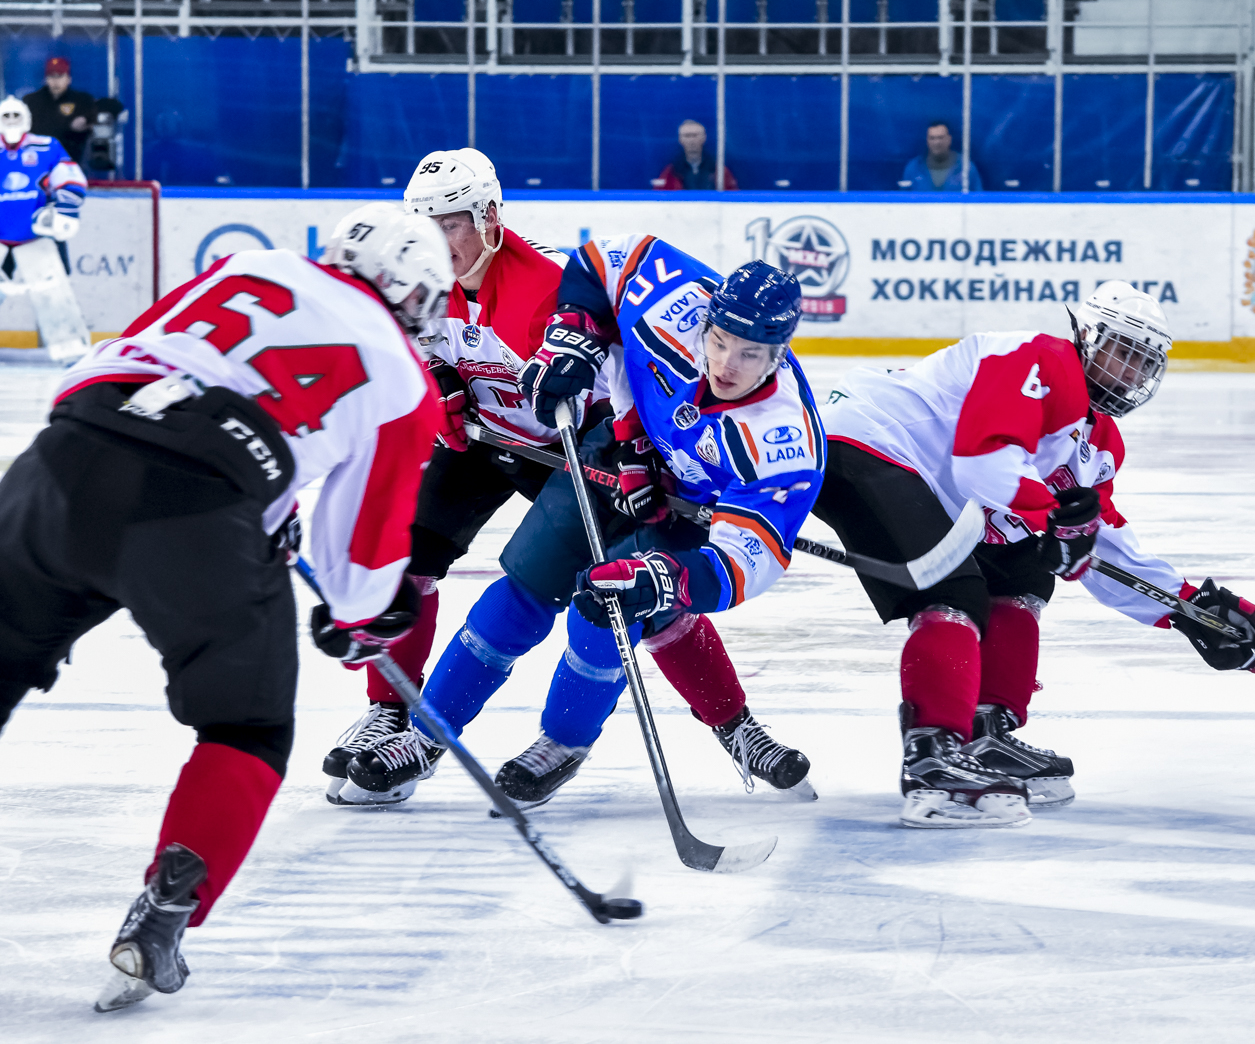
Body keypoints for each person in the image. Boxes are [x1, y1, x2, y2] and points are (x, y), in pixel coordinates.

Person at [0, 201, 452, 1010]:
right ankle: (165, 909)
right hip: (197, 514)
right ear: (412, 291)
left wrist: (260, 511)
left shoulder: (253, 268)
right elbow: (363, 555)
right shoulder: (403, 375)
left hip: (61, 460)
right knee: (247, 727)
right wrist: (357, 618)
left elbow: (108, 362)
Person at [341, 249, 823, 811]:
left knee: (606, 610)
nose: (725, 364)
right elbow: (602, 263)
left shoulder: (785, 442)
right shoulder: (676, 308)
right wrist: (577, 342)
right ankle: (424, 738)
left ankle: (562, 744)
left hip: (688, 505)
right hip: (614, 454)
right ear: (707, 319)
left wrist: (665, 578)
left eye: (750, 354)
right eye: (718, 341)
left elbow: (748, 560)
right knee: (519, 591)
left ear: (780, 353)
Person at [816, 282, 1255, 829]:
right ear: (1086, 336)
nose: (1128, 373)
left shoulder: (1100, 442)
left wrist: (1188, 609)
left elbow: (1094, 542)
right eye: (1120, 352)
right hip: (867, 442)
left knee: (1028, 563)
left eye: (1142, 362)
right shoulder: (1044, 360)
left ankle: (985, 733)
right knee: (952, 592)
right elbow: (981, 465)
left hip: (930, 480)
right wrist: (1057, 514)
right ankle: (934, 760)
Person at [320, 148, 574, 806]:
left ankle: (731, 717)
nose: (436, 241)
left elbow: (608, 384)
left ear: (490, 217)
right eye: (424, 224)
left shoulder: (546, 282)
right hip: (480, 443)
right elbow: (408, 352)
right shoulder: (414, 274)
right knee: (406, 556)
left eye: (451, 223)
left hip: (559, 453)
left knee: (618, 580)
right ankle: (393, 711)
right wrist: (438, 382)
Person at [0, 94, 89, 360]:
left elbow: (70, 179)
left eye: (16, 116)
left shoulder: (46, 147)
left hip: (35, 235)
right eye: (6, 117)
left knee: (54, 294)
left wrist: (65, 209)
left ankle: (70, 350)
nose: (12, 121)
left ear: (27, 120)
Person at [23, 56, 98, 165]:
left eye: (60, 76)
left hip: (71, 162)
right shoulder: (31, 101)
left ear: (68, 79)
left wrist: (86, 121)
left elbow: (107, 107)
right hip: (38, 161)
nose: (55, 81)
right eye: (51, 76)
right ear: (45, 79)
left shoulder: (82, 101)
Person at [654, 119, 738, 191]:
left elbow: (733, 198)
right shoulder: (671, 172)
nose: (691, 140)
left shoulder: (719, 171)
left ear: (704, 137)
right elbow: (658, 199)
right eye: (687, 136)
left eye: (695, 135)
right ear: (680, 139)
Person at [901, 121, 983, 193]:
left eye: (941, 138)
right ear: (927, 141)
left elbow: (979, 201)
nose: (937, 142)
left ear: (949, 139)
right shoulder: (914, 168)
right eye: (932, 138)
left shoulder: (966, 168)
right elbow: (902, 202)